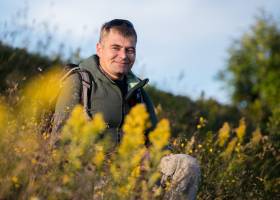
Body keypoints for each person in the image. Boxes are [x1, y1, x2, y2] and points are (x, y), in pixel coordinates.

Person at [52, 19, 200, 200]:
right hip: (93, 172)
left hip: (135, 171)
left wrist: (151, 155)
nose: (123, 56)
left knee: (187, 165)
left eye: (130, 50)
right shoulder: (79, 82)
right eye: (116, 48)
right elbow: (59, 142)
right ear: (99, 49)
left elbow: (160, 144)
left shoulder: (138, 93)